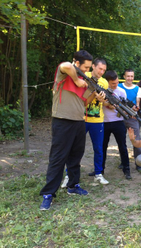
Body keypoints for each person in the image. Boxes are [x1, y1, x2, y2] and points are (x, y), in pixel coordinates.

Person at [39, 50, 103, 210]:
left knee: (76, 156)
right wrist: (76, 79)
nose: (88, 70)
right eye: (86, 67)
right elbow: (65, 65)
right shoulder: (65, 74)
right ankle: (48, 194)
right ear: (77, 63)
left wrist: (95, 96)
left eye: (89, 67)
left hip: (79, 122)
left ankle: (73, 186)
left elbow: (84, 102)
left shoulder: (84, 80)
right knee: (58, 158)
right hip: (62, 122)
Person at [102, 70, 132, 180]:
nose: (115, 85)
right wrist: (106, 104)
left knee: (123, 147)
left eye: (117, 82)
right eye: (113, 83)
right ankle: (100, 171)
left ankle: (126, 169)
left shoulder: (121, 92)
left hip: (118, 122)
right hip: (104, 122)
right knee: (102, 147)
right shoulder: (102, 90)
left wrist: (117, 108)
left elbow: (124, 108)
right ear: (107, 82)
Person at [83, 58, 109, 185]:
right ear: (93, 66)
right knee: (75, 148)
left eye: (104, 70)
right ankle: (69, 175)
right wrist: (93, 94)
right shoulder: (84, 75)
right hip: (81, 119)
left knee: (98, 148)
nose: (102, 72)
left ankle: (98, 173)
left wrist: (102, 99)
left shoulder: (104, 82)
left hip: (97, 120)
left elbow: (105, 102)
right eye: (100, 68)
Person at [118, 69, 141, 172]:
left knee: (136, 139)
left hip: (132, 117)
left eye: (132, 76)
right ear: (124, 76)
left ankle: (139, 162)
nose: (130, 78)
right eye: (128, 76)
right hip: (119, 117)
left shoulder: (137, 88)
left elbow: (138, 103)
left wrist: (136, 107)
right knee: (121, 141)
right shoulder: (119, 86)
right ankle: (123, 161)